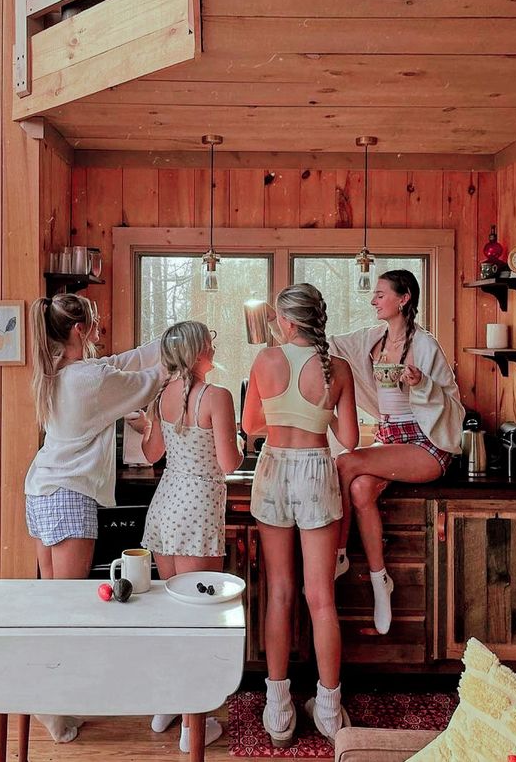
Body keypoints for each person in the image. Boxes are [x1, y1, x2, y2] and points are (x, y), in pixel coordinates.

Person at [25, 293, 162, 743]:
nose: (100, 330)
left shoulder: (60, 372)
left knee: (52, 606)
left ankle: (56, 701)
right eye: (95, 323)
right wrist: (180, 352)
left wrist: (164, 339)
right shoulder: (92, 378)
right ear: (80, 330)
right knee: (67, 612)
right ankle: (49, 702)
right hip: (69, 496)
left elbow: (125, 363)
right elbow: (144, 382)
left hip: (42, 490)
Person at [242, 283, 359, 748]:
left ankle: (278, 710)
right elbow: (349, 439)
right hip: (315, 470)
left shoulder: (265, 361)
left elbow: (251, 427)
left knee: (280, 593)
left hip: (272, 470)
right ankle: (329, 710)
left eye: (277, 319)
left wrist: (281, 413)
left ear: (288, 322)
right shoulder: (339, 369)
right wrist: (322, 411)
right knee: (321, 597)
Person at [328, 270, 464, 636]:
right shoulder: (372, 340)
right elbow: (331, 345)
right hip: (390, 439)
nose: (374, 301)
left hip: (425, 445)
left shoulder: (425, 345)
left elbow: (453, 403)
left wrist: (422, 384)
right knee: (358, 490)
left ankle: (338, 554)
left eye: (380, 294)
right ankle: (379, 581)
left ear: (403, 299)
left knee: (344, 461)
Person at [130, 321, 243, 753]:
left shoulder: (162, 397)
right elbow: (229, 464)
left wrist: (148, 428)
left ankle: (166, 705)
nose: (214, 347)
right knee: (200, 622)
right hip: (197, 509)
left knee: (170, 614)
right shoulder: (217, 397)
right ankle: (191, 730)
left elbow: (151, 454)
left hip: (165, 507)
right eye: (210, 343)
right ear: (198, 353)